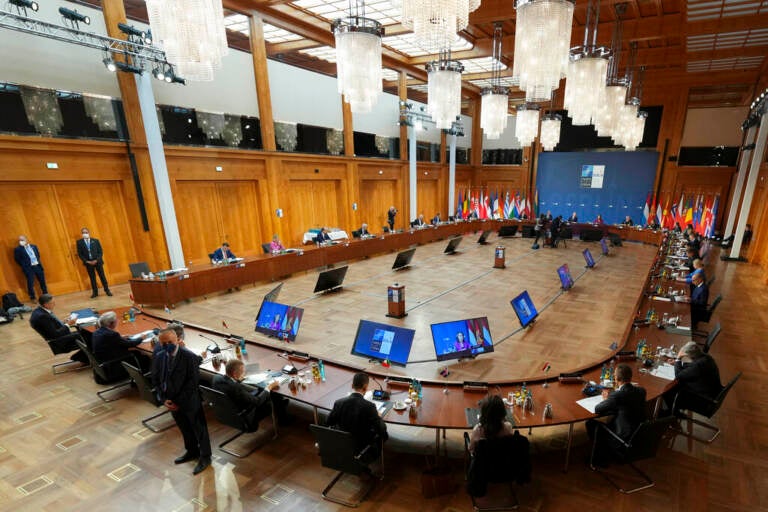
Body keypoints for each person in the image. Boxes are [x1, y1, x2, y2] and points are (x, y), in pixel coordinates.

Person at [151, 326, 212, 475]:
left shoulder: (188, 356)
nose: (166, 346)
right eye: (163, 343)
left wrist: (177, 401)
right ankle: (191, 451)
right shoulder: (160, 356)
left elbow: (192, 383)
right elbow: (157, 379)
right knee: (184, 428)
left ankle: (205, 456)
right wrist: (164, 399)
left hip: (189, 401)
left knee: (199, 429)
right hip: (171, 402)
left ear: (177, 340)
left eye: (169, 342)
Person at [586, 364, 647, 466]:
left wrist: (607, 400)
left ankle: (599, 457)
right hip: (638, 434)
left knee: (590, 423)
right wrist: (612, 398)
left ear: (616, 378)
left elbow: (598, 409)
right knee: (612, 419)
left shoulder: (617, 395)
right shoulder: (641, 391)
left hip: (622, 437)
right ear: (630, 377)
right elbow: (627, 401)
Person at [327, 372, 388, 465]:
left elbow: (328, 422)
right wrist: (379, 418)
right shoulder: (370, 406)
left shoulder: (339, 402)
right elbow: (382, 430)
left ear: (352, 385)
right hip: (361, 447)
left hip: (342, 445)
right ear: (365, 387)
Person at [212, 358, 286, 429]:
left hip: (226, 413)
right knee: (274, 397)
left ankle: (283, 410)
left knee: (260, 390)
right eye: (242, 372)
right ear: (234, 374)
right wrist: (269, 387)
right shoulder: (236, 388)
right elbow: (257, 401)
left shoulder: (216, 378)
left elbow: (231, 387)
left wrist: (237, 380)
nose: (244, 374)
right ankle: (283, 419)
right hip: (245, 417)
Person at [664, 341, 722, 415]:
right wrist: (676, 363)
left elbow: (678, 376)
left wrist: (678, 359)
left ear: (691, 356)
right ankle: (674, 411)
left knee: (668, 390)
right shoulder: (706, 357)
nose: (684, 358)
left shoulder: (698, 366)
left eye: (685, 356)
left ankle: (673, 414)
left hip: (703, 400)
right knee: (674, 386)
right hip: (711, 392)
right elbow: (692, 369)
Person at [91, 311, 149, 381]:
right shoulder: (112, 334)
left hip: (102, 362)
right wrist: (141, 338)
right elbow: (129, 344)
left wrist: (120, 338)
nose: (117, 321)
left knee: (136, 352)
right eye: (116, 320)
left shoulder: (96, 332)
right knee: (143, 356)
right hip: (113, 364)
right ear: (111, 323)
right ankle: (144, 379)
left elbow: (110, 341)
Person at [29, 294, 88, 363]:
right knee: (88, 335)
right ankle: (81, 357)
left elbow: (50, 326)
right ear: (46, 304)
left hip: (59, 337)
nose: (55, 304)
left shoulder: (39, 311)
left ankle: (82, 356)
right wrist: (68, 324)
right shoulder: (43, 316)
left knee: (84, 332)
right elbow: (55, 334)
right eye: (53, 303)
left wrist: (63, 322)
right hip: (59, 342)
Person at [76, 227, 111, 298]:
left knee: (102, 276)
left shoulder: (95, 241)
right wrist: (86, 261)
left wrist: (96, 260)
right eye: (83, 233)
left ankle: (107, 290)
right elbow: (80, 254)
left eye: (86, 232)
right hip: (88, 263)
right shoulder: (79, 242)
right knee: (92, 278)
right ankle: (95, 292)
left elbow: (100, 252)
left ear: (88, 233)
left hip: (97, 262)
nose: (84, 234)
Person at [14, 235, 48, 301]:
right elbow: (17, 259)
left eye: (22, 240)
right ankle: (32, 297)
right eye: (20, 240)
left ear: (26, 240)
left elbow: (38, 255)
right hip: (29, 268)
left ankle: (46, 295)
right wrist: (25, 265)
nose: (21, 241)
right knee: (30, 283)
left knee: (42, 281)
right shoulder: (18, 249)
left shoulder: (34, 246)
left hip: (37, 266)